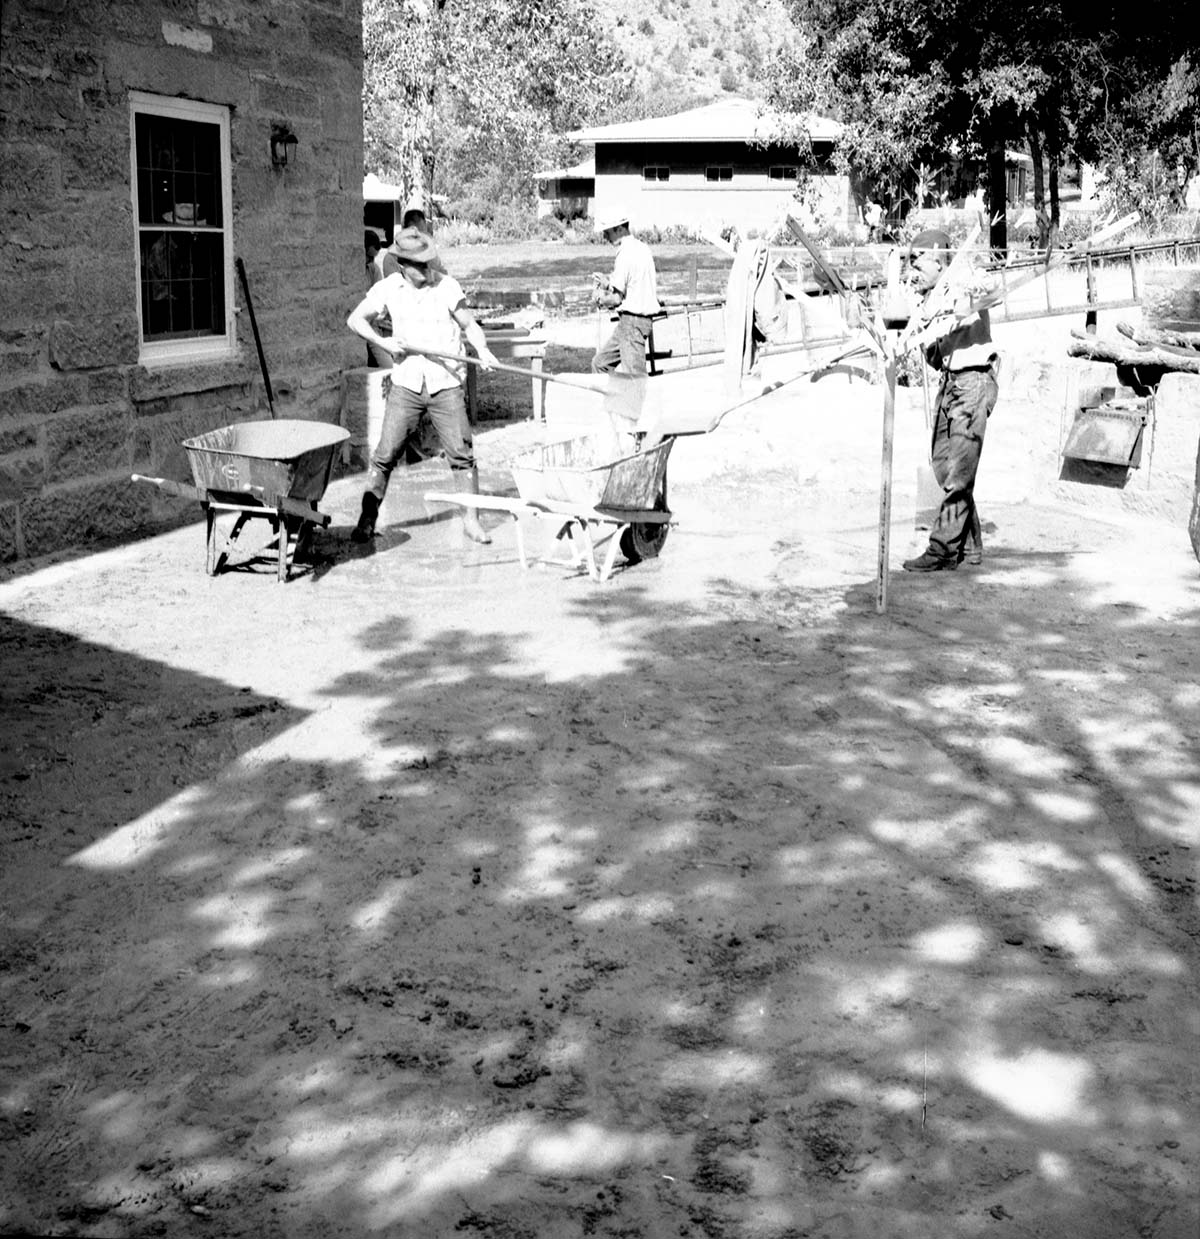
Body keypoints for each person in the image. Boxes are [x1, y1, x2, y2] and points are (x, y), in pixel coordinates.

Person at [346, 226, 499, 545]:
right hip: (407, 383)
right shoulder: (389, 288)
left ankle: (471, 520)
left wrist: (482, 349)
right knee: (385, 454)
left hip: (445, 383)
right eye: (420, 265)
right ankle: (367, 518)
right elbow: (355, 320)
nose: (427, 270)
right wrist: (383, 341)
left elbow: (470, 326)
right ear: (403, 265)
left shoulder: (447, 286)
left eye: (429, 262)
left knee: (462, 453)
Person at [902, 229, 998, 573]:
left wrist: (966, 302)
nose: (914, 268)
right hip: (951, 382)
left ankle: (943, 549)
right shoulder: (928, 299)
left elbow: (993, 290)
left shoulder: (964, 275)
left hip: (973, 380)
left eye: (919, 260)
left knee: (959, 472)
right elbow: (932, 352)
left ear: (938, 256)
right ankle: (969, 544)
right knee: (944, 464)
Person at [590, 210, 661, 375]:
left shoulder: (624, 254)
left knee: (636, 378)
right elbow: (633, 285)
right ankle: (616, 400)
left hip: (632, 322)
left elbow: (616, 299)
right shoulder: (643, 248)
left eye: (607, 232)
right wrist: (608, 284)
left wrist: (600, 299)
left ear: (619, 229)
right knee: (600, 363)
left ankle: (635, 400)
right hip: (635, 321)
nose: (606, 237)